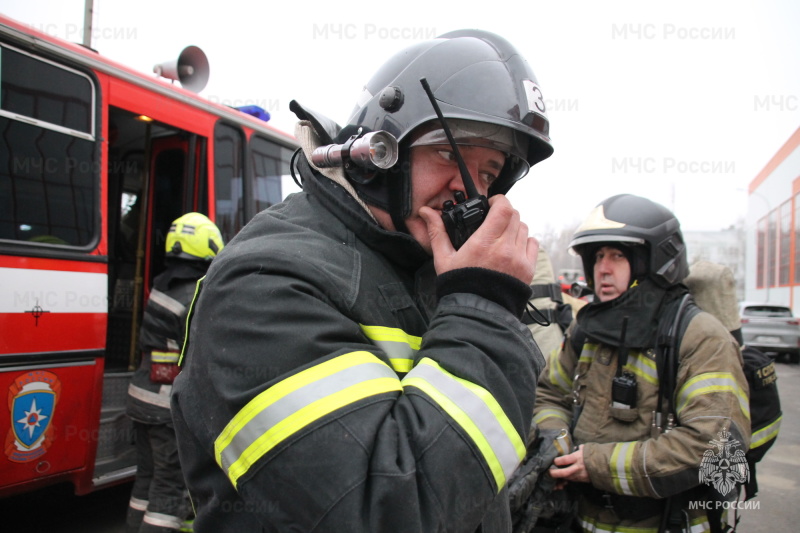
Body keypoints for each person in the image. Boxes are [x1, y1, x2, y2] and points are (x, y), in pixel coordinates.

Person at [171, 30, 553, 532]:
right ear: (378, 155)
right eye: (449, 152)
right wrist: (486, 307)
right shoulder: (265, 282)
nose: (469, 189)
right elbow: (384, 512)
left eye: (489, 173)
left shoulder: (432, 275)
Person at [532, 194, 750, 533]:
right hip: (581, 519)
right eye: (598, 256)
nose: (602, 268)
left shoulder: (700, 337)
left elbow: (716, 445)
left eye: (618, 256)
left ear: (656, 261)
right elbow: (549, 394)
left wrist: (596, 465)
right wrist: (556, 444)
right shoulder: (586, 328)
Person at [126, 213, 224, 533]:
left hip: (141, 398)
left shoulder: (161, 284)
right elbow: (202, 355)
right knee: (169, 490)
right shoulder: (192, 296)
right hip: (164, 407)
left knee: (146, 480)